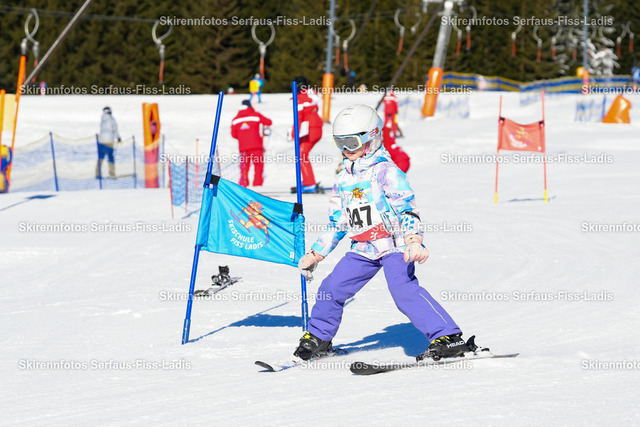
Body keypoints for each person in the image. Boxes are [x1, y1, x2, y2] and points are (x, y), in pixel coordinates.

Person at [293, 104, 470, 363]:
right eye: (340, 143)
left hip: (394, 244)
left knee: (402, 290)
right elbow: (338, 221)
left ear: (372, 137)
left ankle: (448, 337)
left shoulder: (386, 171)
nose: (346, 149)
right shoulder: (343, 179)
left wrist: (413, 239)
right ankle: (319, 338)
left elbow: (407, 207)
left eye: (352, 142)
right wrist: (316, 253)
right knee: (331, 288)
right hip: (363, 248)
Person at [292, 75, 323, 193]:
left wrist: (294, 133)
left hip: (309, 129)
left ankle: (309, 183)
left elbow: (298, 117)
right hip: (317, 127)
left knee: (301, 155)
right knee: (302, 155)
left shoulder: (300, 98)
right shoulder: (312, 94)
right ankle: (307, 181)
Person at [231, 99, 272, 187]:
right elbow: (269, 122)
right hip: (256, 146)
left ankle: (244, 184)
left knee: (244, 166)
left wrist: (242, 136)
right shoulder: (256, 115)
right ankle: (257, 184)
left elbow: (233, 134)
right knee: (258, 165)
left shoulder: (235, 119)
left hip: (243, 147)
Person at [96, 106, 121, 178]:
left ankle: (98, 173)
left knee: (100, 158)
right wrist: (118, 137)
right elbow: (115, 130)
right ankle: (112, 174)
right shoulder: (111, 119)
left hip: (101, 141)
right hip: (109, 141)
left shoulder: (102, 119)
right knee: (110, 158)